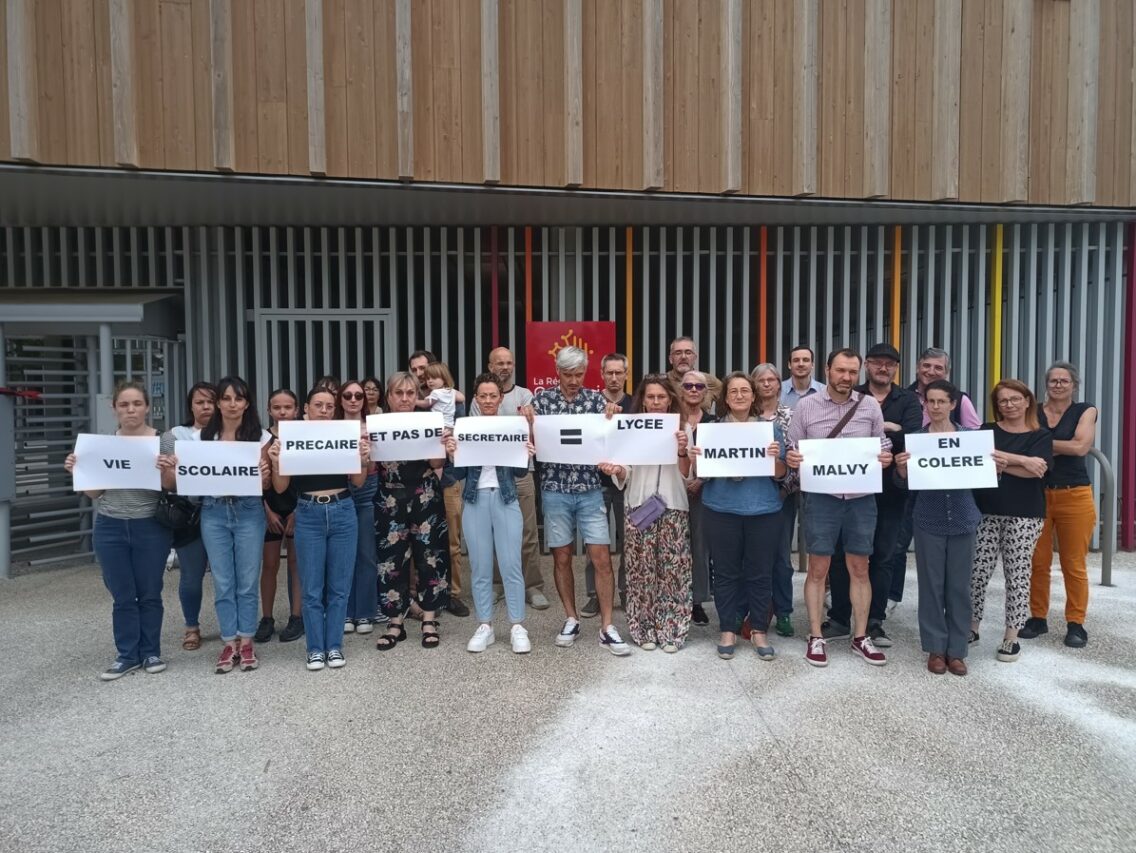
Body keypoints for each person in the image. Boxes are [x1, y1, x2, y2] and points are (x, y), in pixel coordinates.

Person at [786, 348, 893, 668]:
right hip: (821, 499)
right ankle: (816, 635)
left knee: (860, 568)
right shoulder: (806, 406)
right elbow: (793, 448)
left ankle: (861, 637)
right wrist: (792, 459)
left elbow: (882, 444)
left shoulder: (870, 405)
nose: (846, 377)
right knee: (818, 569)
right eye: (841, 371)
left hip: (861, 499)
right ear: (828, 371)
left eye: (852, 372)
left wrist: (885, 457)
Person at [522, 346, 630, 655]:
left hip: (589, 489)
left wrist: (615, 416)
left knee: (601, 557)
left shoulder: (598, 402)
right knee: (562, 557)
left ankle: (607, 627)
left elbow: (615, 439)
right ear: (557, 372)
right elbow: (527, 441)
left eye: (578, 374)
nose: (573, 380)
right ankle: (570, 618)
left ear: (586, 373)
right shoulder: (540, 401)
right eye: (567, 374)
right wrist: (526, 421)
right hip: (554, 489)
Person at [65, 381, 176, 680]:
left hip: (150, 524)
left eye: (137, 404)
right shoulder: (102, 445)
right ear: (114, 408)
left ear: (147, 407)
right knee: (122, 594)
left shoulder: (162, 440)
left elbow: (171, 486)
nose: (131, 410)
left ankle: (151, 651)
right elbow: (94, 494)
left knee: (150, 592)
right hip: (111, 525)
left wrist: (167, 468)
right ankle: (127, 655)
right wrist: (80, 470)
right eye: (124, 404)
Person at [823, 343, 921, 648]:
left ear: (896, 369)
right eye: (877, 362)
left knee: (882, 556)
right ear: (867, 366)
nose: (883, 368)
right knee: (841, 555)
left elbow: (912, 439)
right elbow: (841, 437)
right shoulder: (855, 395)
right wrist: (890, 429)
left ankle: (875, 621)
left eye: (889, 364)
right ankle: (840, 617)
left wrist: (888, 430)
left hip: (891, 491)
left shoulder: (908, 400)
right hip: (849, 489)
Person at [268, 386, 370, 670]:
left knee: (339, 586)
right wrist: (276, 463)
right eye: (318, 405)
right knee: (312, 587)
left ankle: (334, 646)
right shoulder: (293, 437)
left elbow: (359, 482)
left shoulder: (343, 434)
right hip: (309, 513)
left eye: (329, 406)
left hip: (343, 509)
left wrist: (364, 459)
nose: (324, 410)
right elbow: (280, 487)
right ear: (306, 410)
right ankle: (315, 648)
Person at [690, 372, 787, 660]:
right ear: (725, 398)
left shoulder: (771, 430)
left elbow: (782, 475)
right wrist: (698, 459)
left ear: (754, 396)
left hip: (764, 510)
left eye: (746, 390)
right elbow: (703, 475)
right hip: (721, 509)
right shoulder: (711, 430)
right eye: (734, 391)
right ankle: (728, 629)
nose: (740, 395)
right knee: (725, 572)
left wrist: (775, 459)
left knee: (760, 573)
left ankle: (758, 630)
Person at [893, 380, 982, 676]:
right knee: (931, 586)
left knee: (959, 587)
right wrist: (902, 470)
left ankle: (957, 651)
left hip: (963, 517)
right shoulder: (916, 439)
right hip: (928, 518)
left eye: (942, 401)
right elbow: (903, 484)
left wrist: (992, 467)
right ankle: (935, 648)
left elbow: (982, 477)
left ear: (953, 404)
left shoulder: (970, 438)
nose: (936, 406)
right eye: (930, 401)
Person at [599, 375, 693, 652]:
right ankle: (644, 630)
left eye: (661, 397)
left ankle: (672, 631)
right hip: (639, 506)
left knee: (674, 572)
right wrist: (617, 470)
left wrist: (682, 450)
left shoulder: (685, 428)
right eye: (650, 397)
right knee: (641, 573)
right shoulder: (631, 428)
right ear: (643, 400)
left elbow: (688, 474)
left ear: (670, 400)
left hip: (674, 506)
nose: (655, 402)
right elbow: (625, 470)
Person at [886, 347, 983, 611]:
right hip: (908, 479)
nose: (931, 371)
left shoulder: (960, 400)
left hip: (951, 489)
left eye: (938, 368)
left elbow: (976, 439)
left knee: (953, 568)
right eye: (926, 365)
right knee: (897, 544)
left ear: (946, 372)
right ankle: (892, 598)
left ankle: (954, 624)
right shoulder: (903, 396)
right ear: (918, 367)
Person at [448, 373, 536, 654]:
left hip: (506, 498)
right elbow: (459, 473)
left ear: (501, 398)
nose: (487, 400)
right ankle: (484, 625)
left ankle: (517, 625)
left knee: (511, 565)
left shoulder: (514, 426)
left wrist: (527, 451)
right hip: (474, 499)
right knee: (480, 566)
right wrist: (453, 453)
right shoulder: (465, 427)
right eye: (482, 395)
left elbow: (521, 472)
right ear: (476, 398)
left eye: (493, 395)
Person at [970, 379, 1053, 663]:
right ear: (997, 406)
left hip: (1025, 515)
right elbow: (982, 460)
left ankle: (1011, 636)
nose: (1010, 404)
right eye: (1004, 401)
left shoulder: (1041, 436)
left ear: (1028, 401)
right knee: (976, 573)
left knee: (1017, 576)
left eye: (1015, 399)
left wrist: (1005, 464)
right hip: (985, 511)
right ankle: (971, 628)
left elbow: (1037, 472)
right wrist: (1023, 461)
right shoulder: (986, 431)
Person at [195, 376, 271, 674]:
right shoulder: (203, 439)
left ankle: (247, 640)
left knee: (248, 579)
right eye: (226, 398)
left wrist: (264, 476)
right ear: (218, 403)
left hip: (248, 510)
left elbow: (266, 483)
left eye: (238, 398)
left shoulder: (261, 438)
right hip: (213, 512)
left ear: (247, 403)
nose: (232, 404)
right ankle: (229, 641)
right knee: (223, 580)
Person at [373, 371, 452, 650]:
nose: (405, 398)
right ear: (389, 397)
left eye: (410, 393)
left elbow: (437, 463)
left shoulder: (429, 421)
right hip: (389, 497)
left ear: (416, 396)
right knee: (391, 560)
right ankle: (395, 621)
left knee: (430, 556)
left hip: (425, 494)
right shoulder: (375, 424)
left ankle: (429, 619)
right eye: (399, 393)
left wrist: (441, 443)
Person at [1023, 362, 1097, 648]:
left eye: (1063, 381)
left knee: (1073, 563)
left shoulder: (1085, 410)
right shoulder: (1034, 410)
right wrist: (1054, 443)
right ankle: (1037, 618)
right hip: (1037, 493)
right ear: (1046, 384)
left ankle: (1076, 623)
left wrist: (1039, 442)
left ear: (1073, 385)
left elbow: (1081, 447)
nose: (1057, 385)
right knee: (1037, 562)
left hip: (1074, 493)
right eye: (1053, 380)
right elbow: (1023, 441)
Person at [469, 347, 549, 610]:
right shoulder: (478, 399)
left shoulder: (525, 394)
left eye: (509, 362)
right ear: (490, 366)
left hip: (520, 471)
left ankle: (532, 586)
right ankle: (496, 584)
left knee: (527, 532)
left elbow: (530, 428)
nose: (505, 367)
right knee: (490, 532)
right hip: (487, 475)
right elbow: (476, 432)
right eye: (499, 363)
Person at [165, 381, 215, 652]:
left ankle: (234, 627)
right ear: (191, 406)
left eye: (211, 401)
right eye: (200, 402)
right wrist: (169, 469)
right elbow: (166, 483)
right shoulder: (174, 436)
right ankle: (192, 627)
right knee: (191, 576)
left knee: (228, 578)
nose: (206, 407)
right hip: (190, 515)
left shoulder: (231, 435)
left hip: (224, 512)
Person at [582, 353, 633, 618]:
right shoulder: (591, 403)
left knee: (628, 541)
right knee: (595, 544)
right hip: (595, 483)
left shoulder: (636, 404)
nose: (614, 378)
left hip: (628, 483)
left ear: (626, 374)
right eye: (609, 373)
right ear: (601, 374)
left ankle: (625, 592)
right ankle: (594, 595)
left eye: (618, 373)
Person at [751, 363, 797, 637]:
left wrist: (784, 487)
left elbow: (794, 454)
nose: (767, 384)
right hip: (749, 494)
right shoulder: (744, 415)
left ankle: (783, 612)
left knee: (782, 558)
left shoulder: (791, 415)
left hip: (782, 495)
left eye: (772, 379)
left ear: (780, 384)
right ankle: (754, 610)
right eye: (762, 380)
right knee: (752, 558)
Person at [257, 389, 304, 644]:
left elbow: (308, 476)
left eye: (288, 407)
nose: (283, 412)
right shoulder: (263, 439)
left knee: (296, 565)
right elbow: (259, 478)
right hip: (270, 509)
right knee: (270, 565)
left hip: (298, 507)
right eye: (277, 407)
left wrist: (298, 510)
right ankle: (267, 618)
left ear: (296, 410)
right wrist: (267, 510)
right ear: (269, 410)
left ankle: (296, 617)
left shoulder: (304, 436)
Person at [339, 380, 381, 636]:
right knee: (342, 556)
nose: (353, 399)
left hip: (368, 488)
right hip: (338, 488)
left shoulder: (375, 426)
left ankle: (365, 611)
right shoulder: (329, 427)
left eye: (358, 395)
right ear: (340, 399)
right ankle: (344, 611)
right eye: (348, 395)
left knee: (366, 553)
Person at [679, 370, 716, 627]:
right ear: (681, 390)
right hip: (674, 490)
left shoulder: (715, 423)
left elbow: (720, 459)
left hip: (705, 492)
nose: (693, 390)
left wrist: (701, 480)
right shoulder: (669, 421)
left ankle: (697, 602)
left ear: (706, 392)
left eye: (699, 387)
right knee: (675, 547)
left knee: (700, 547)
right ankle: (676, 597)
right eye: (688, 385)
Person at [665, 336, 721, 411]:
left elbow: (729, 400)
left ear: (695, 358)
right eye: (678, 353)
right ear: (671, 359)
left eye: (688, 353)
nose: (683, 357)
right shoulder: (662, 382)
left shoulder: (709, 381)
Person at [416, 361, 466, 429]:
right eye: (428, 378)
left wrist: (415, 401)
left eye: (434, 378)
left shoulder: (436, 393)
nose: (430, 381)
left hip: (438, 425)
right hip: (450, 426)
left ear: (444, 378)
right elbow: (462, 398)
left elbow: (426, 404)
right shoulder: (450, 391)